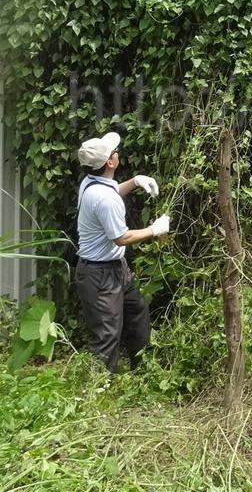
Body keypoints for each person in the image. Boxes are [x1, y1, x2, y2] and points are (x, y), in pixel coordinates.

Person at [75, 131, 170, 372]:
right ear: (110, 162)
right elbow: (121, 238)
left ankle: (143, 371)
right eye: (114, 152)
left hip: (116, 270)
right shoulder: (105, 199)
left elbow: (111, 189)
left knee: (137, 311)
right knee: (106, 335)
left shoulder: (91, 182)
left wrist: (135, 181)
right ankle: (97, 393)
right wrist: (154, 229)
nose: (118, 153)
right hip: (99, 276)